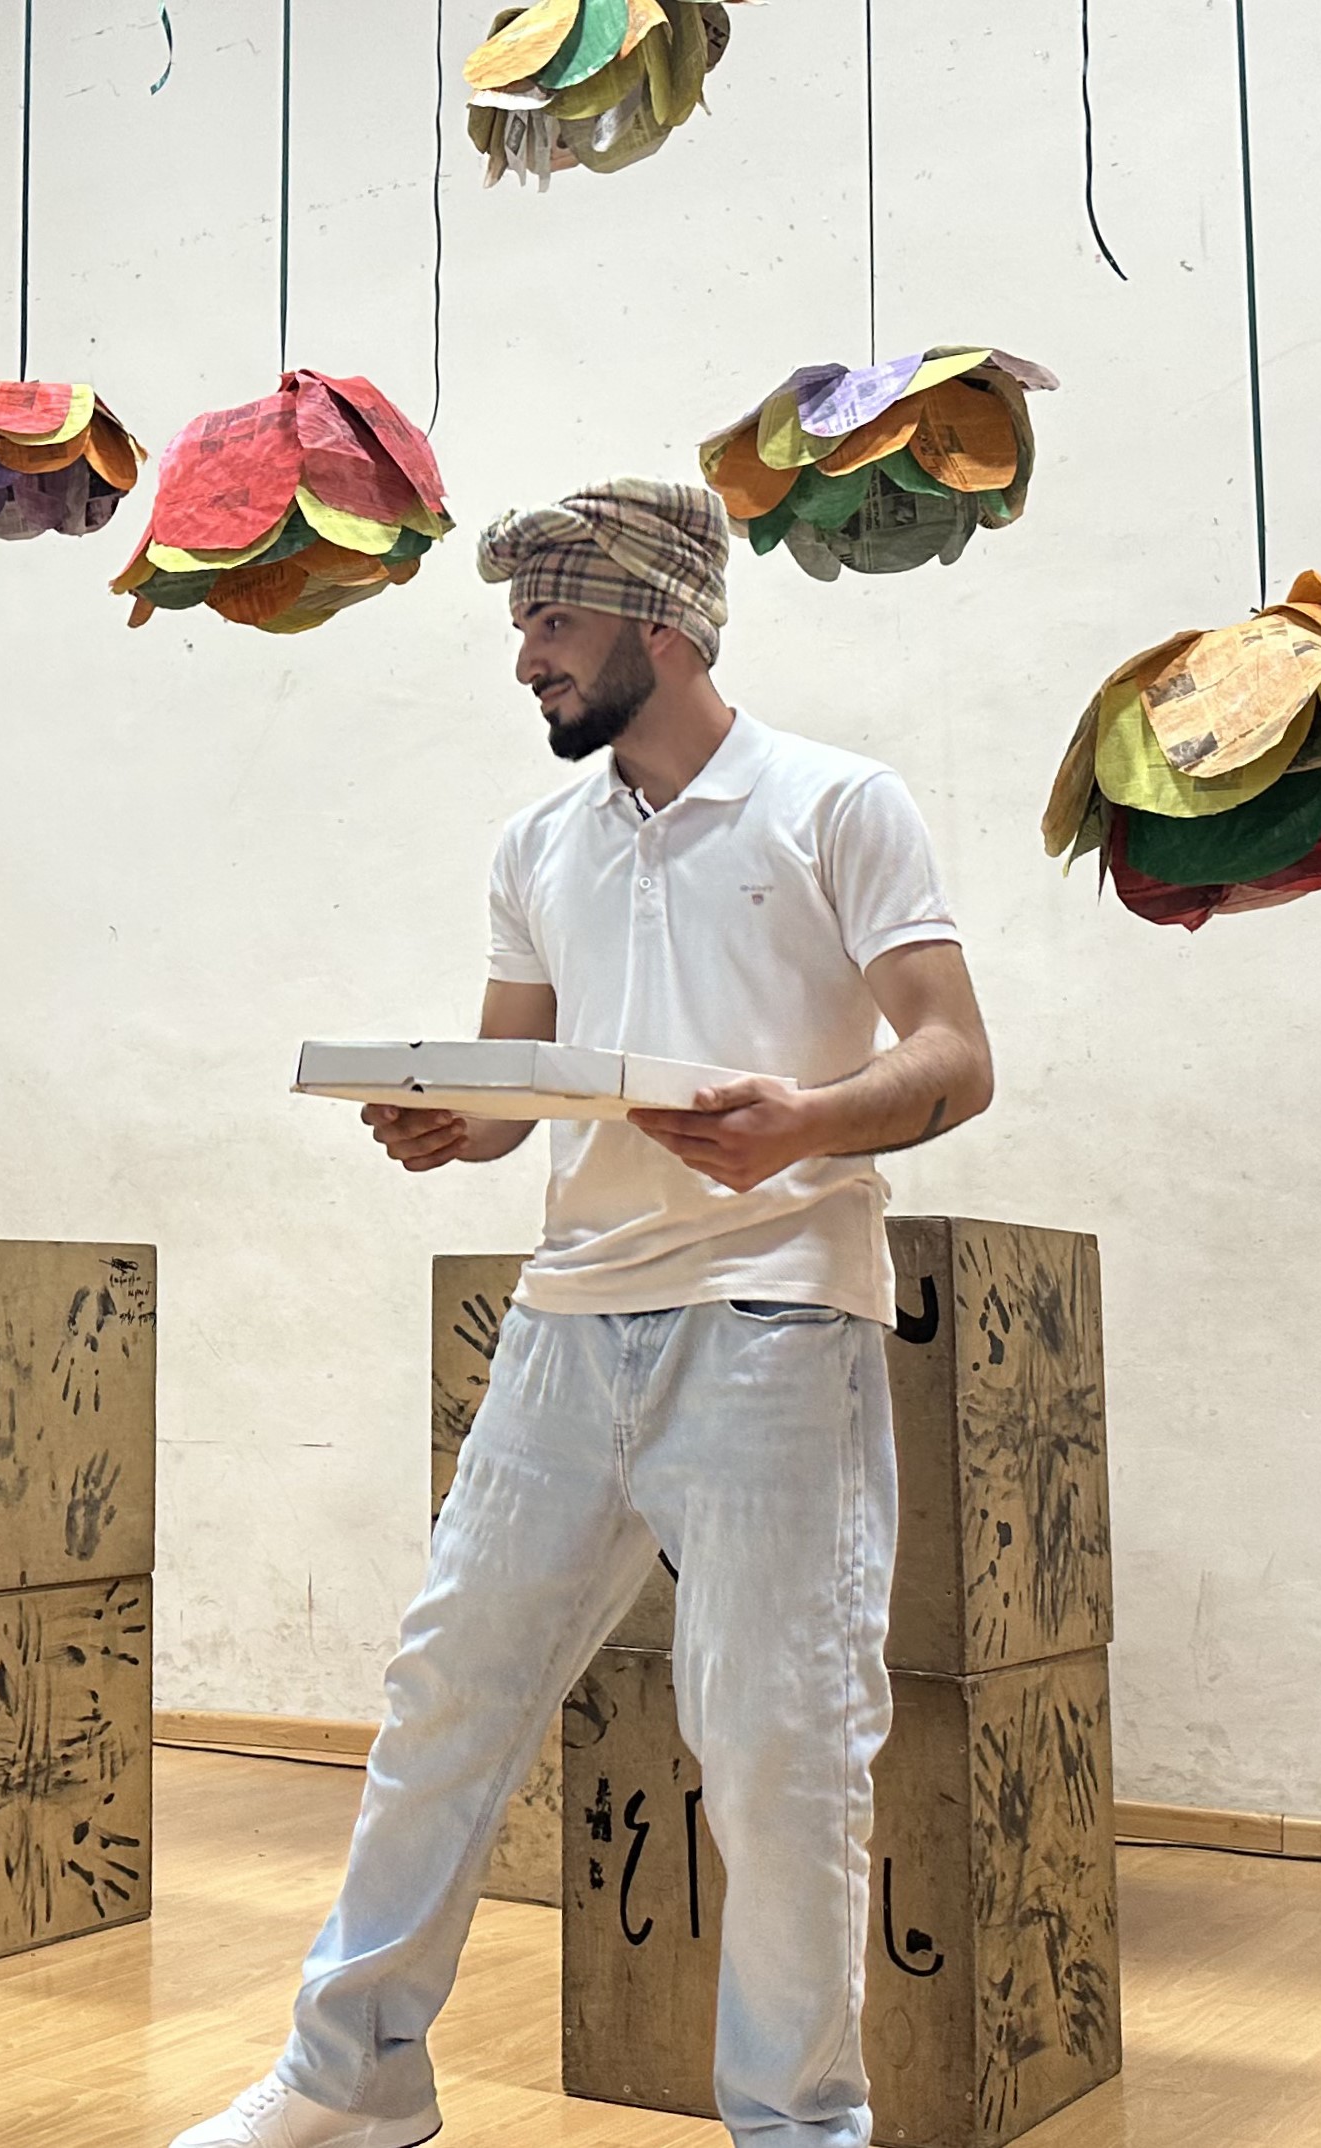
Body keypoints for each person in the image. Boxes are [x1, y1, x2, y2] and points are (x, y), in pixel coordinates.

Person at [168, 482, 993, 2148]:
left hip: (773, 1313)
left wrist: (805, 1122)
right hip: (564, 1324)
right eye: (520, 625)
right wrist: (448, 1119)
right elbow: (520, 1083)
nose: (524, 658)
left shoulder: (837, 803)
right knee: (444, 1696)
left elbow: (954, 1058)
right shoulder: (534, 845)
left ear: (659, 624)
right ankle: (349, 2083)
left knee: (776, 1744)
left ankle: (797, 2127)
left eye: (549, 621)